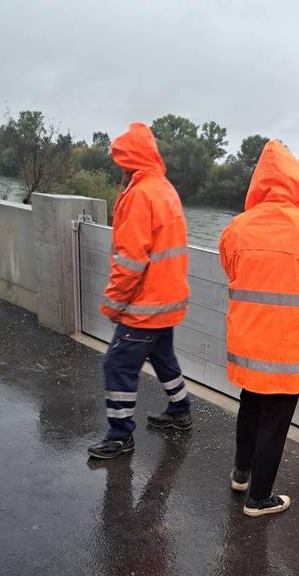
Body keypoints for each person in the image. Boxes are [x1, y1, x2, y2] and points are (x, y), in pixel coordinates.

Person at [219, 140, 299, 517]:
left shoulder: (238, 227)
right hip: (288, 347)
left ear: (259, 183)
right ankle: (259, 499)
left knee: (250, 404)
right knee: (275, 421)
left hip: (248, 342)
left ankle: (241, 475)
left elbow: (231, 269)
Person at [88, 122, 192, 460]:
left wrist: (113, 305)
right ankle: (180, 410)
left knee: (117, 365)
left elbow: (131, 261)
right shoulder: (164, 189)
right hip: (167, 300)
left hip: (144, 305)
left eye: (120, 161)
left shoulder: (139, 196)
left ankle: (120, 436)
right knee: (162, 357)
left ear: (128, 162)